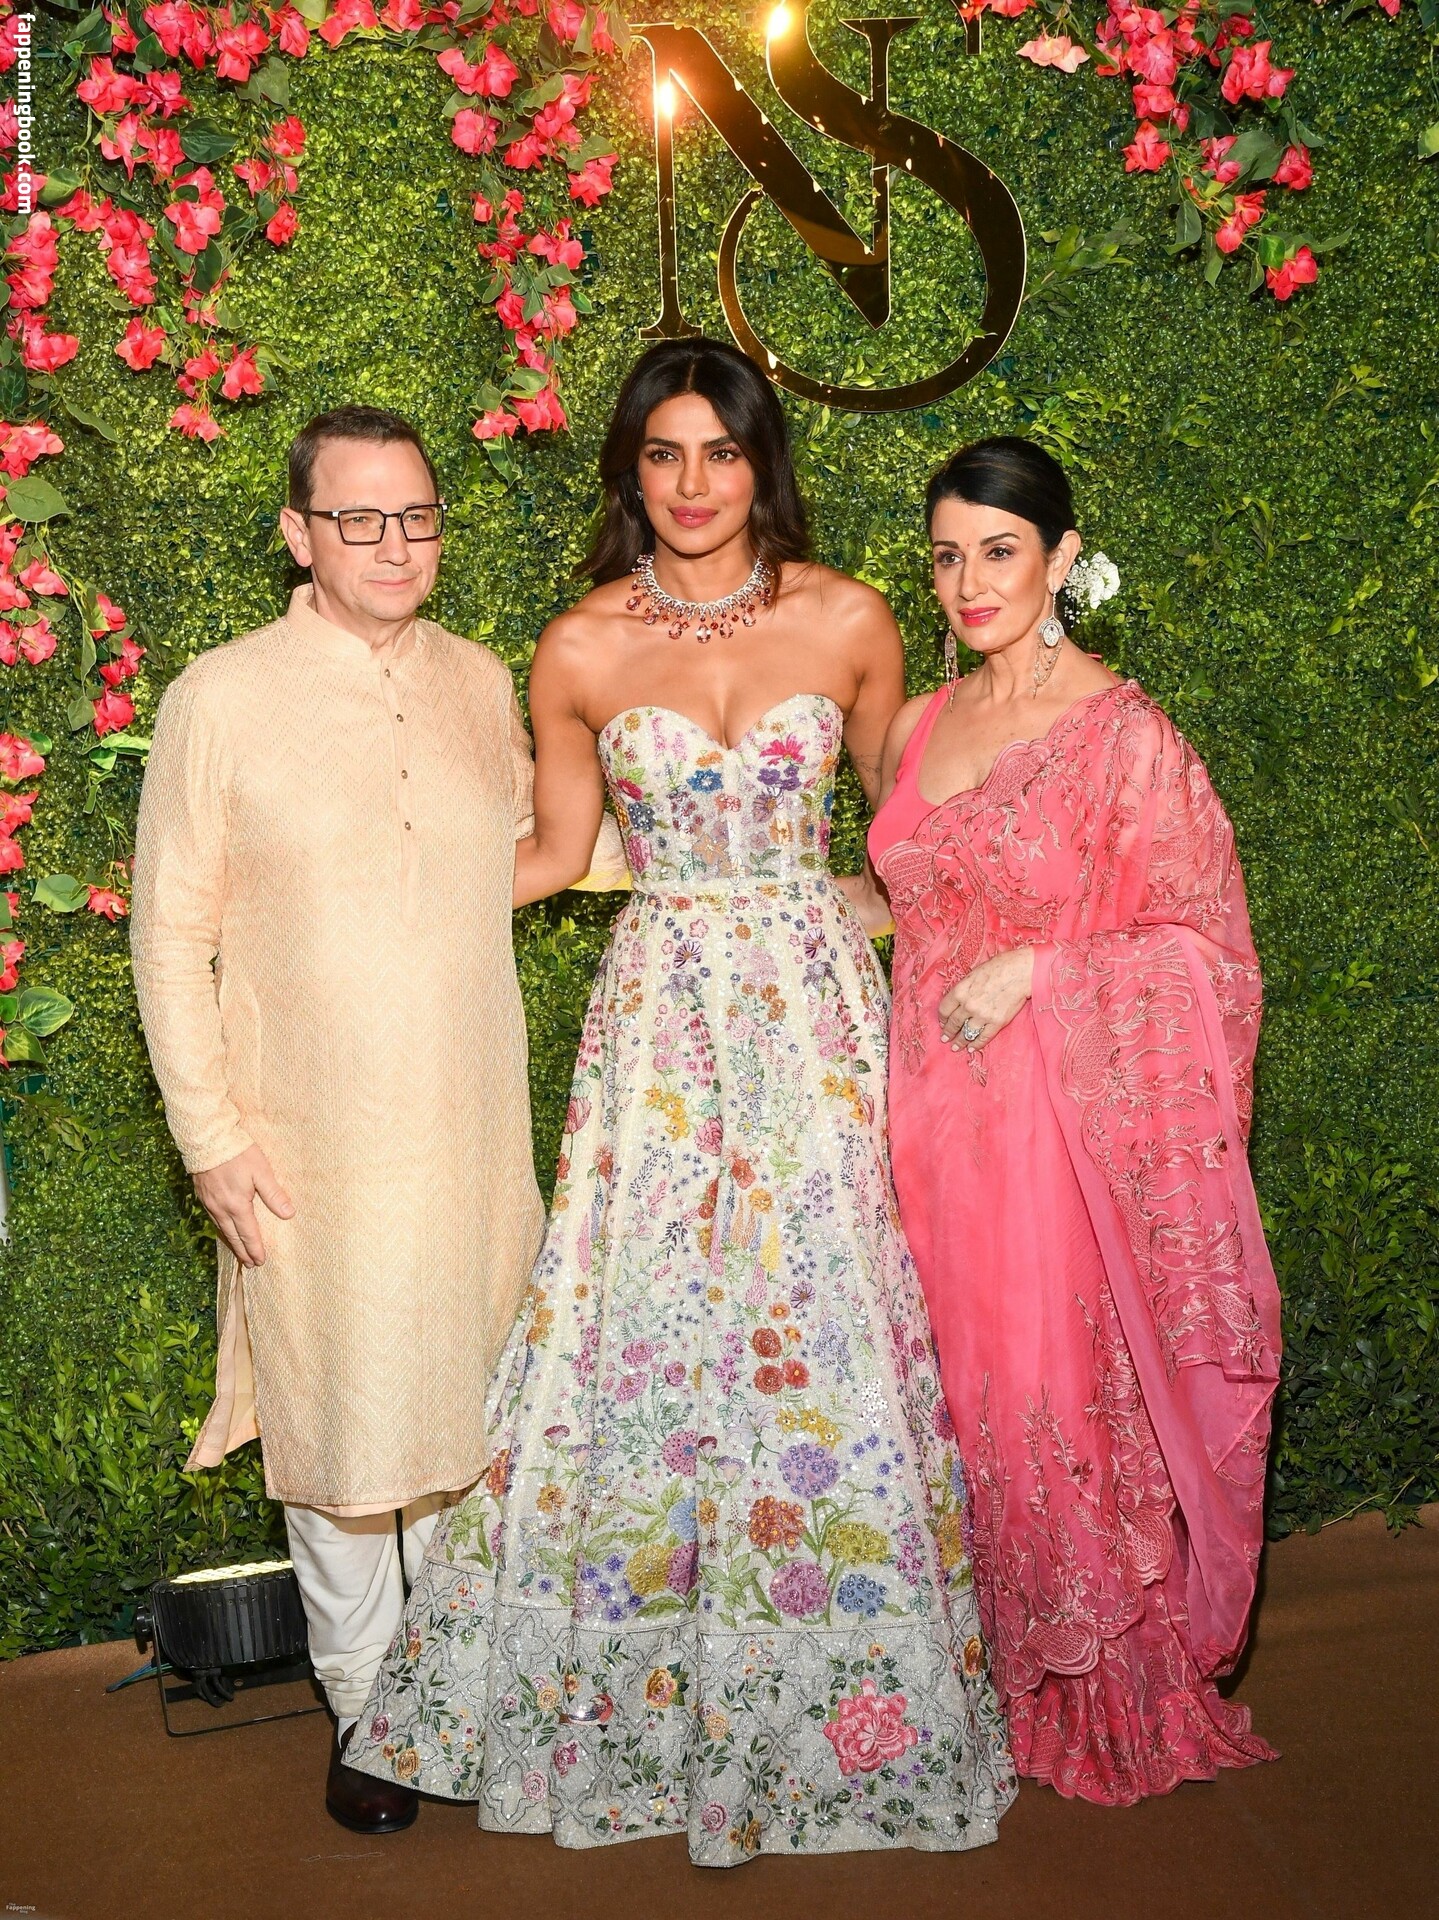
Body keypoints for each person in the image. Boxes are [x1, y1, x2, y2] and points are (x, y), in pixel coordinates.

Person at [343, 339, 1016, 1863]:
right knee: (633, 1335)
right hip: (657, 1031)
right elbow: (546, 852)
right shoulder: (579, 645)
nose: (694, 483)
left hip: (813, 1024)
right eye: (664, 454)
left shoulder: (849, 618)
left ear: (759, 461)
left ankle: (845, 1702)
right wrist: (368, 899)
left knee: (826, 1324)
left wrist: (933, 920)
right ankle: (621, 1701)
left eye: (721, 451)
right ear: (630, 472)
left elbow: (911, 838)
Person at [130, 404, 618, 1835]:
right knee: (343, 1442)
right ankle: (371, 1714)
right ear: (299, 535)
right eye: (360, 519)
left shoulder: (477, 680)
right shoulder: (219, 697)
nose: (395, 546)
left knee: (467, 1423)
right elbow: (168, 934)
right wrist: (211, 1137)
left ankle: (461, 1692)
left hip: (466, 1134)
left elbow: (551, 847)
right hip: (304, 1141)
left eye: (417, 517)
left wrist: (740, 865)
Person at [867, 436, 1282, 1804]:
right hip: (921, 1122)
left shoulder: (1125, 738)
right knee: (943, 1394)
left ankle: (1096, 1686)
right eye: (947, 556)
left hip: (1056, 1135)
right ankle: (969, 1669)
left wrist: (1047, 971)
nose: (971, 582)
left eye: (999, 551)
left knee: (1040, 1388)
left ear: (1060, 558)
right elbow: (901, 899)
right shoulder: (916, 725)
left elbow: (1208, 952)